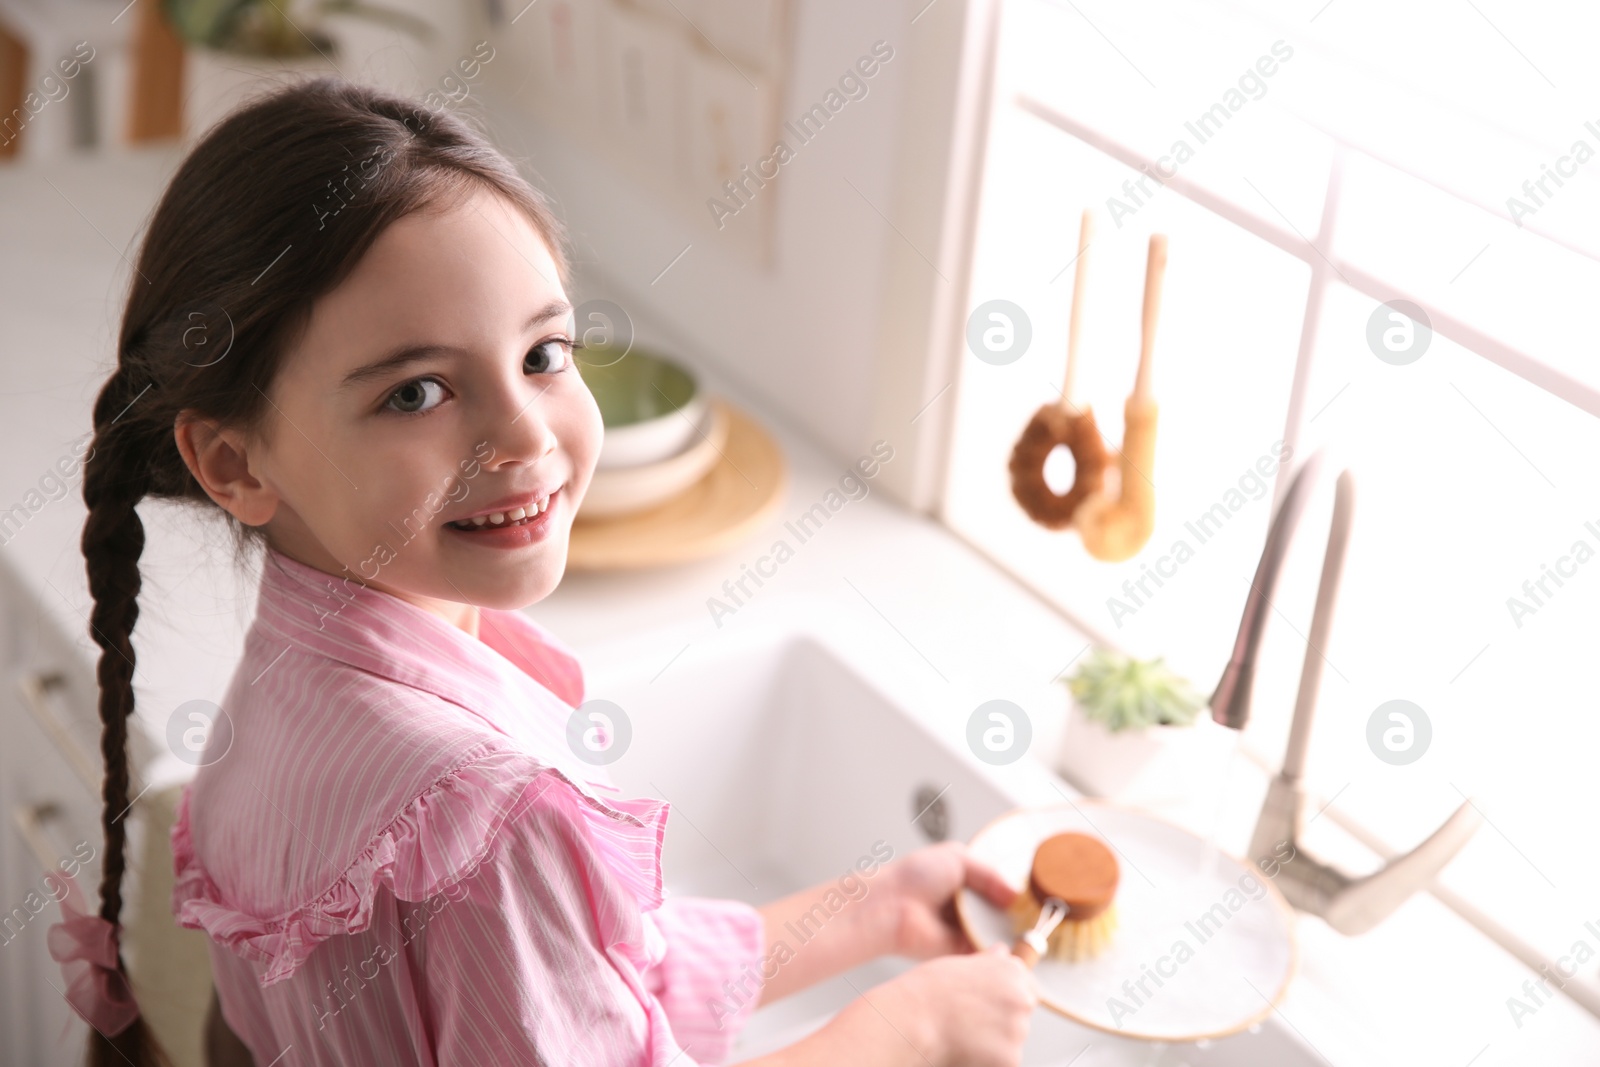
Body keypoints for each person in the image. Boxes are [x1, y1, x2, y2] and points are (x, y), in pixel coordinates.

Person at [65, 76, 1037, 1067]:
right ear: (234, 462)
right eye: (419, 391)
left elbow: (572, 973)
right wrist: (905, 1031)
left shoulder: (283, 681)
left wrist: (863, 912)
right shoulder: (496, 817)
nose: (523, 434)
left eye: (543, 353)